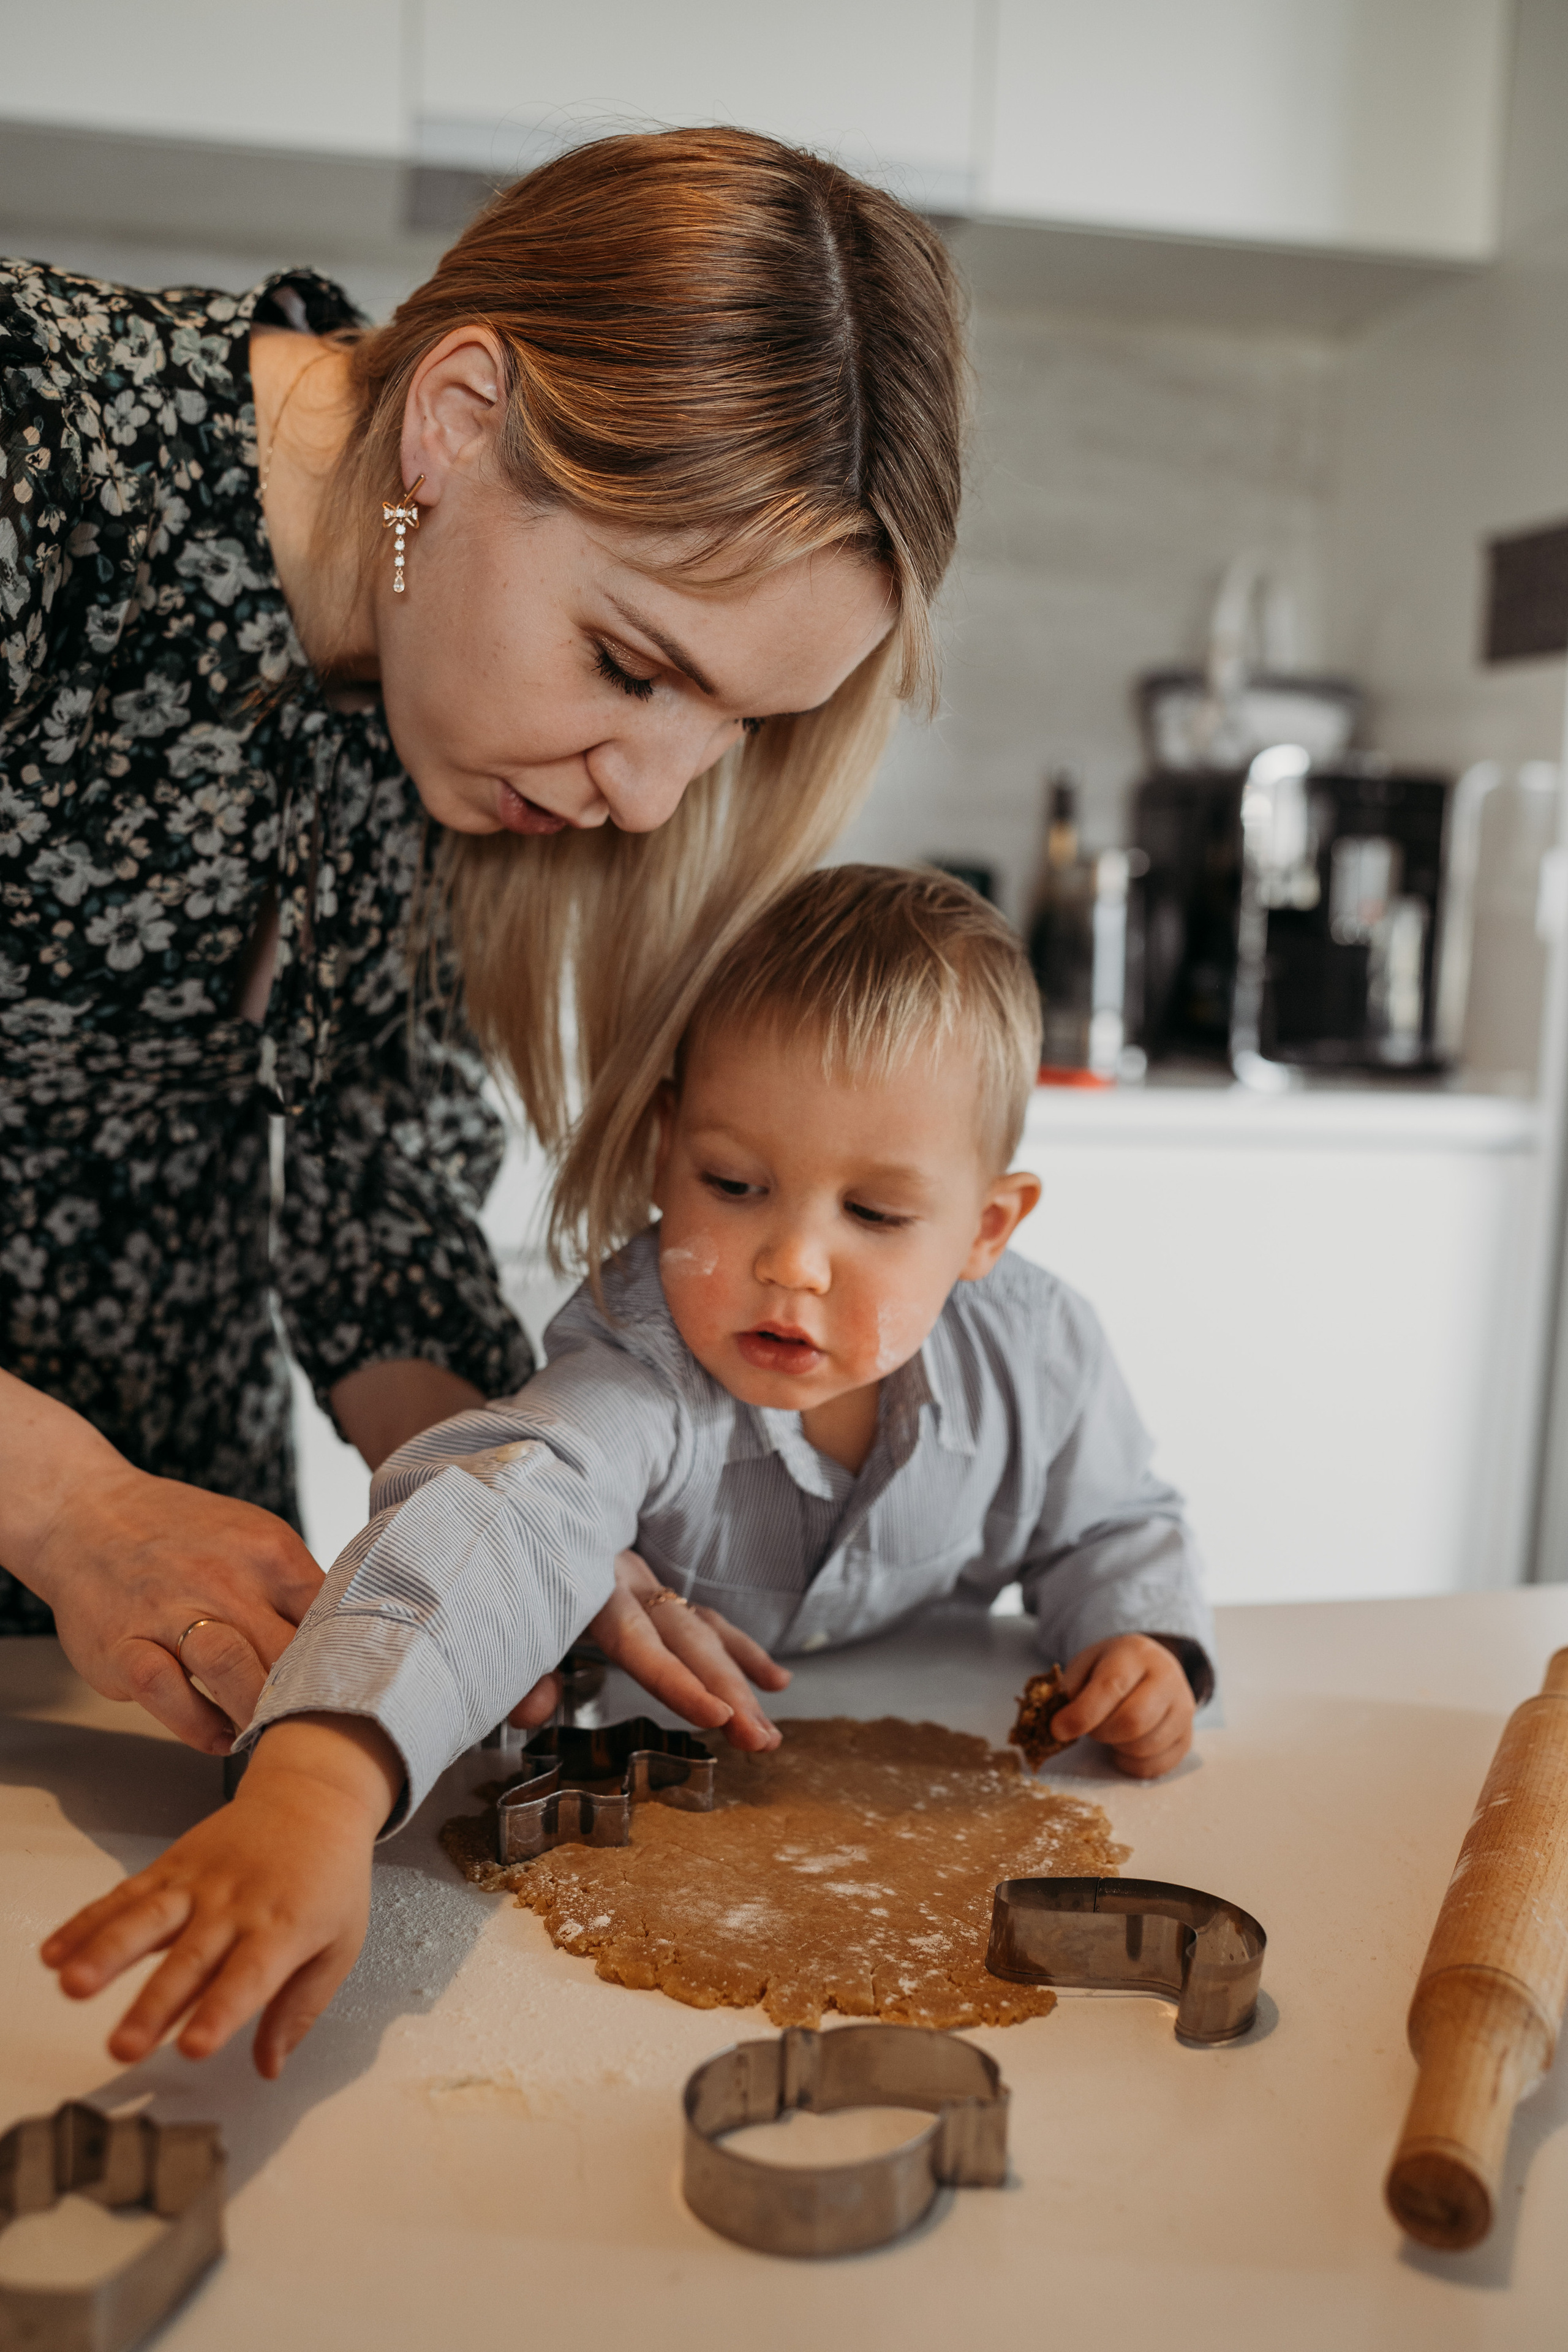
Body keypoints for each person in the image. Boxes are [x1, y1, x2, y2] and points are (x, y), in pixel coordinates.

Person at [0, 130, 966, 1749]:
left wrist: (501, 1517)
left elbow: (372, 1204)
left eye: (736, 724)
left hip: (147, 1570)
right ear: (455, 424)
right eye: (629, 663)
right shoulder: (38, 451)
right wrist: (65, 1504)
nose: (652, 799)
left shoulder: (454, 710)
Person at [42, 864, 1213, 2078]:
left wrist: (1143, 1645)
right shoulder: (639, 1357)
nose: (793, 1263)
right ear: (662, 1157)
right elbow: (501, 1516)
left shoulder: (1040, 1355)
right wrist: (315, 1792)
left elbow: (1112, 1523)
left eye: (872, 1213)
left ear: (984, 1230)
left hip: (924, 1785)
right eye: (733, 1185)